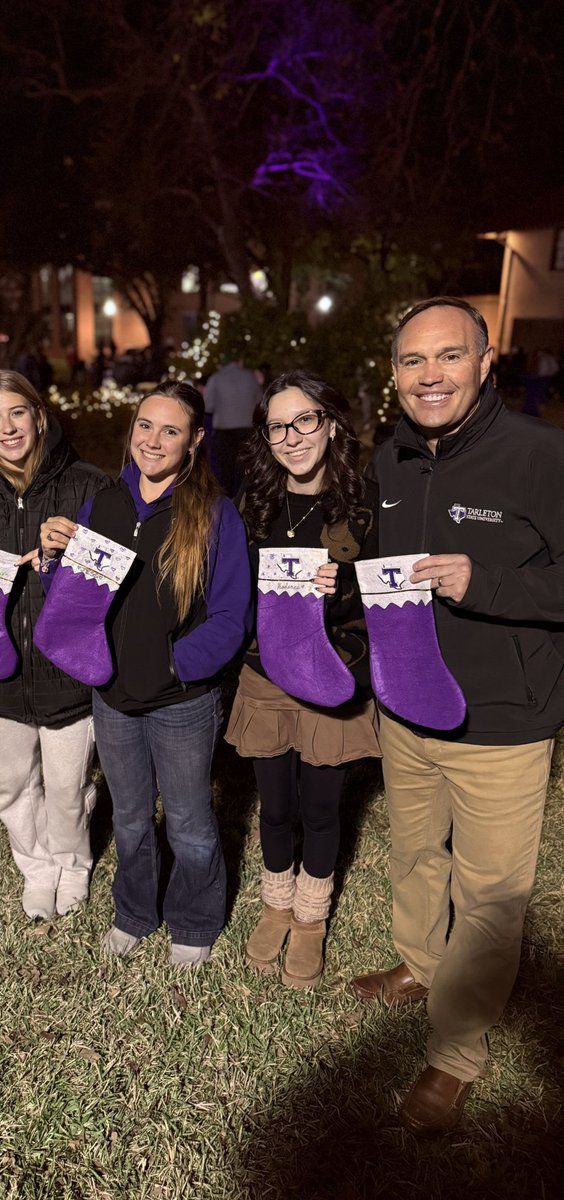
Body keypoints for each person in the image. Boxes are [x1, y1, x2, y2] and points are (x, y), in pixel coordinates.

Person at [351, 297, 564, 1135]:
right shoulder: (391, 461)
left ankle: (456, 1055)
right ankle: (418, 963)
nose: (428, 376)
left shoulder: (542, 456)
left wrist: (494, 584)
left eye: (447, 357)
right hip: (407, 709)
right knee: (412, 855)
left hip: (503, 723)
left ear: (485, 362)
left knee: (490, 894)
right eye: (411, 362)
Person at [41, 380, 252, 966]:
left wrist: (176, 664)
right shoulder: (102, 504)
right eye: (144, 425)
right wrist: (54, 560)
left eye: (170, 430)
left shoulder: (215, 514)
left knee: (187, 820)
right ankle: (135, 911)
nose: (153, 440)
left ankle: (194, 918)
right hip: (112, 696)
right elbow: (74, 604)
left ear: (195, 441)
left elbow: (233, 616)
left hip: (182, 699)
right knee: (131, 818)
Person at [0, 370, 110, 920]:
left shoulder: (90, 486)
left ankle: (72, 864)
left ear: (39, 416)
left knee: (67, 785)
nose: (7, 427)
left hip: (67, 670)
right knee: (11, 785)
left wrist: (82, 546)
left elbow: (118, 580)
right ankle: (35, 868)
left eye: (17, 412)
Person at [226, 372, 380, 988]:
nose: (291, 437)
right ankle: (276, 902)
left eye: (304, 421)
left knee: (320, 807)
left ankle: (311, 917)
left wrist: (339, 593)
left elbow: (386, 603)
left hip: (331, 673)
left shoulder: (363, 506)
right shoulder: (253, 503)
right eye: (277, 426)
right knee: (276, 803)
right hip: (265, 674)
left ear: (331, 424)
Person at [203, 353, 261, 496]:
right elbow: (260, 400)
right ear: (238, 361)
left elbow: (208, 406)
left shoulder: (216, 378)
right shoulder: (249, 376)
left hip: (224, 432)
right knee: (245, 470)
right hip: (247, 430)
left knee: (225, 472)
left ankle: (226, 503)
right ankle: (243, 500)